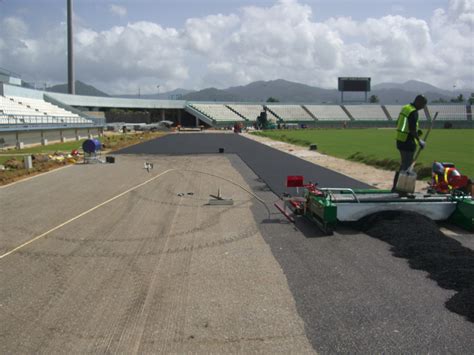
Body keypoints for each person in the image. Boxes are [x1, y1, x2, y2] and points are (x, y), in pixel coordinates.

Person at [391, 94, 428, 192]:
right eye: (423, 104)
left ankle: (396, 187)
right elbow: (411, 129)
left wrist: (416, 131)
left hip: (400, 140)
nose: (423, 107)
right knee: (406, 166)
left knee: (404, 165)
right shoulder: (413, 112)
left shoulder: (405, 108)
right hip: (408, 142)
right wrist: (419, 141)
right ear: (418, 102)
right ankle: (400, 188)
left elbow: (400, 123)